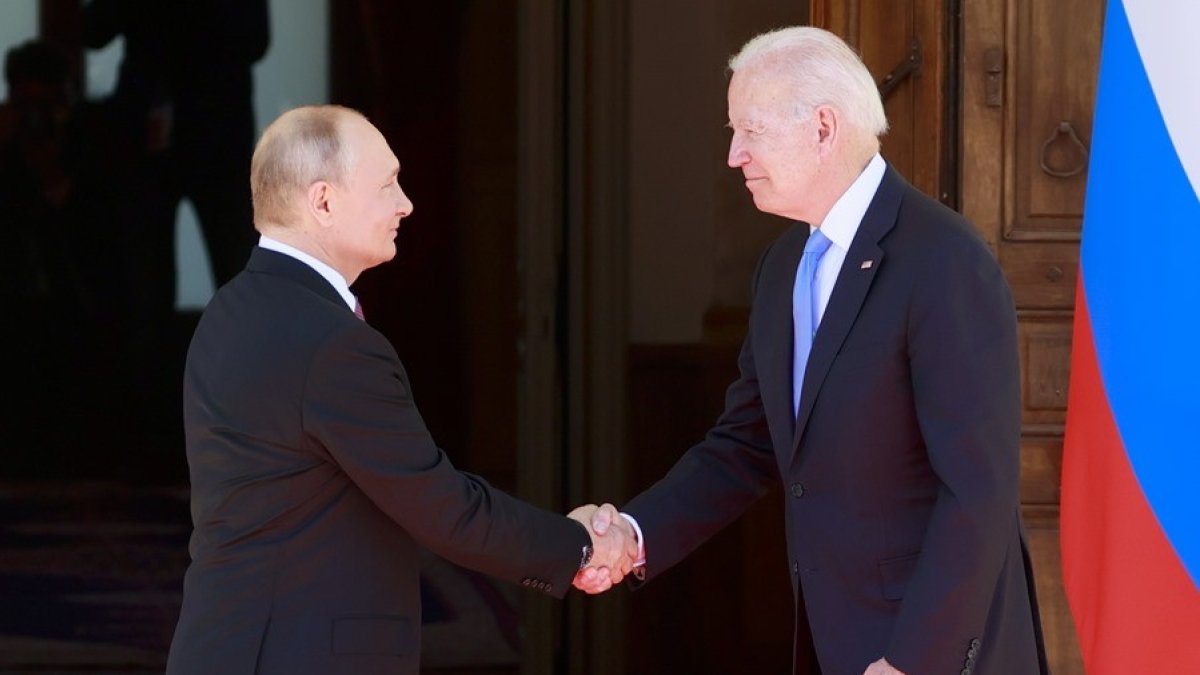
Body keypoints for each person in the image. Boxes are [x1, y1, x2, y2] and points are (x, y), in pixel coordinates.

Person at [576, 27, 1048, 675]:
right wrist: (633, 534)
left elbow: (978, 489)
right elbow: (746, 444)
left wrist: (914, 660)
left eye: (751, 130)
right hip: (835, 641)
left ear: (823, 128)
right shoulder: (784, 265)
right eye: (731, 131)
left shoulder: (943, 260)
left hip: (927, 651)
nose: (734, 154)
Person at [166, 105, 635, 675]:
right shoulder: (331, 344)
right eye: (387, 183)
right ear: (323, 202)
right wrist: (579, 545)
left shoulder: (228, 310)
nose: (405, 203)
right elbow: (444, 509)